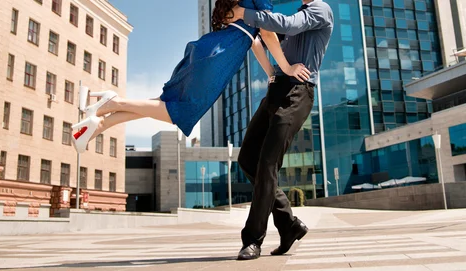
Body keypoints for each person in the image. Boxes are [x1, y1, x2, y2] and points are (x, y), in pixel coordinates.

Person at [70, 0, 312, 153]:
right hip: (218, 59)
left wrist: (271, 72)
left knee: (166, 105)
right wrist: (287, 68)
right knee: (179, 111)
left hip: (209, 51)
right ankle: (113, 102)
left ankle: (100, 124)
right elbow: (267, 34)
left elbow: (254, 40)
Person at [225, 0, 334, 261]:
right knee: (247, 158)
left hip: (299, 92)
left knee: (267, 164)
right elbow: (265, 36)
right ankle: (289, 225)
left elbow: (283, 24)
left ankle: (252, 240)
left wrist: (242, 12)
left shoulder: (321, 10)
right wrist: (272, 71)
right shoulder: (300, 14)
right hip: (276, 89)